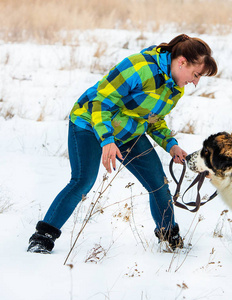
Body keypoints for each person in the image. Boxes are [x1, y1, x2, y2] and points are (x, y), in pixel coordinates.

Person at [27, 34, 218, 254]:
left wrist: (170, 144)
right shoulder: (139, 67)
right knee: (83, 181)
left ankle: (169, 238)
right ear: (182, 61)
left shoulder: (175, 89)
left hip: (127, 131)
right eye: (196, 75)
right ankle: (42, 238)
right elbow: (101, 101)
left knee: (158, 183)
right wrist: (106, 139)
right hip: (90, 122)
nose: (195, 82)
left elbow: (154, 119)